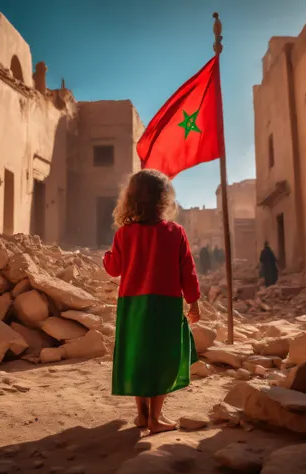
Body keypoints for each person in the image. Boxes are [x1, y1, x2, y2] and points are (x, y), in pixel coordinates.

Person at [103, 169, 201, 434]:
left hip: (133, 306)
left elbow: (114, 269)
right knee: (163, 358)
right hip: (165, 305)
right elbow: (187, 270)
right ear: (164, 199)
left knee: (140, 357)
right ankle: (156, 419)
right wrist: (193, 302)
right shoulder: (175, 232)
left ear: (132, 199)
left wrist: (106, 257)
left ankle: (141, 416)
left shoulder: (124, 234)